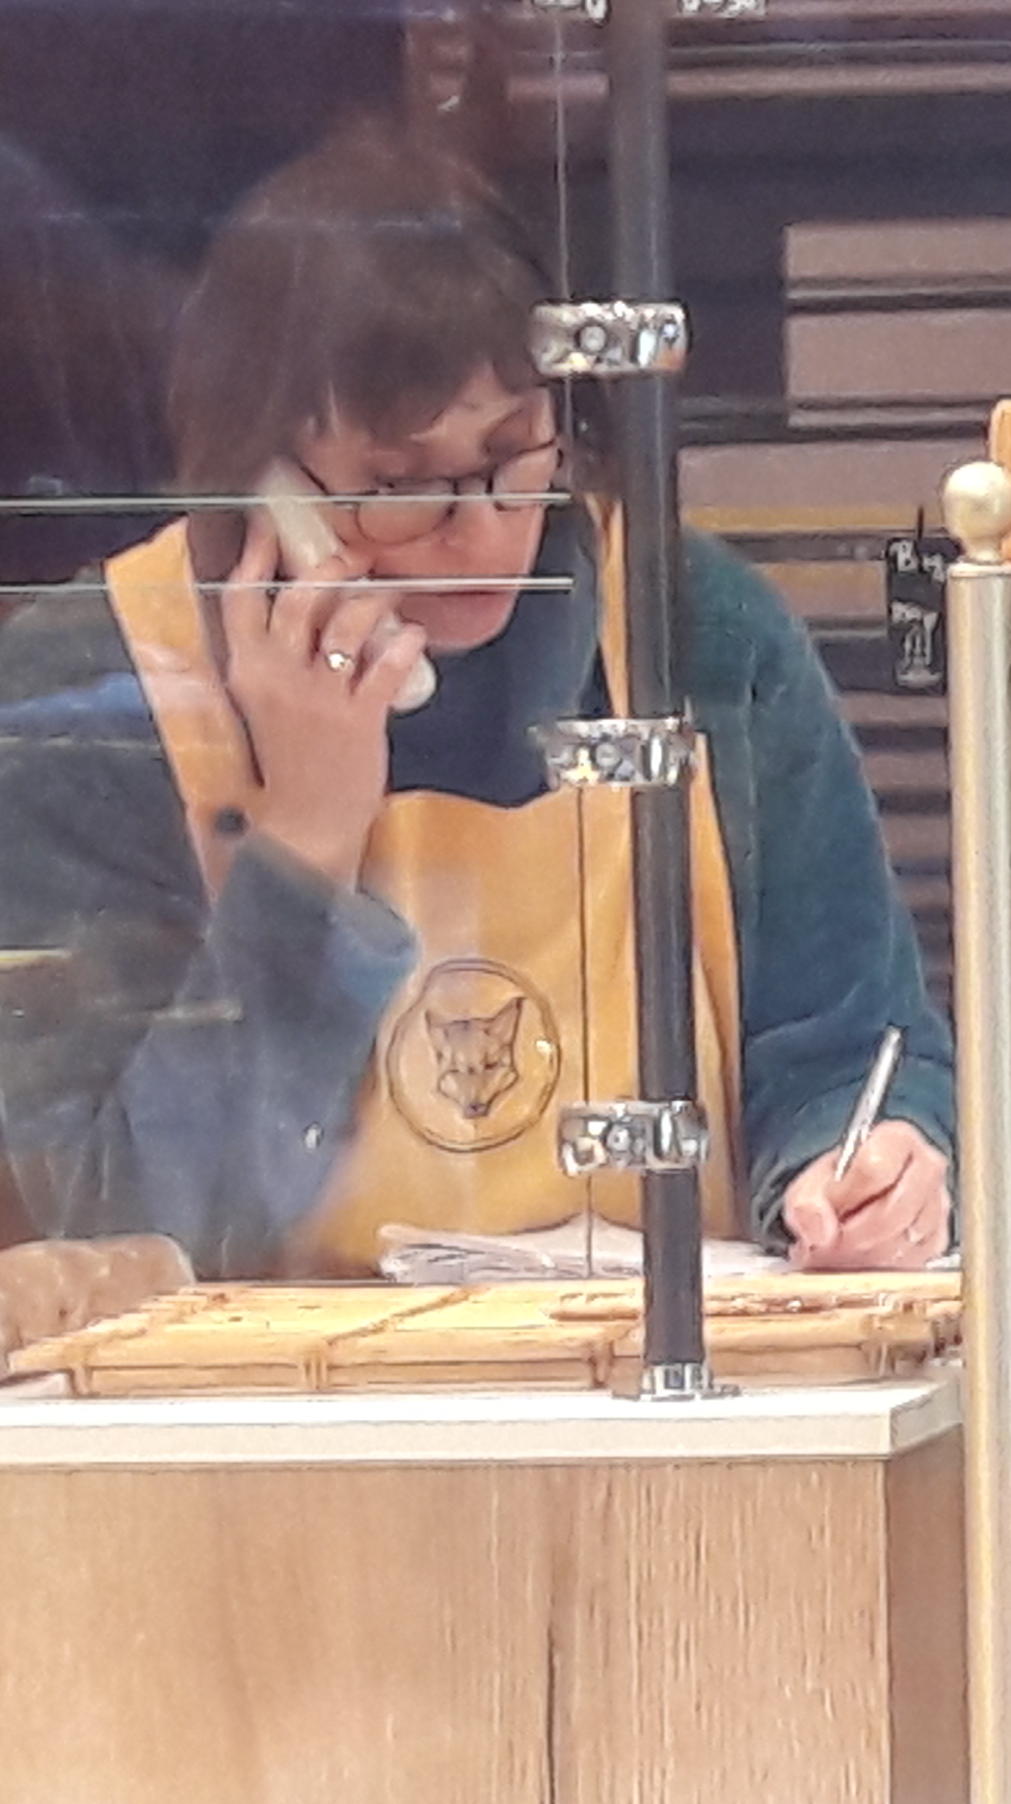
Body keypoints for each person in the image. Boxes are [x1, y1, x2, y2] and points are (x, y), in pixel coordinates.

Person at [0, 121, 952, 1279]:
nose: (484, 532)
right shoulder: (89, 695)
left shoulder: (696, 628)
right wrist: (304, 844)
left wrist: (866, 1167)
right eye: (402, 486)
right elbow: (116, 1232)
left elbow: (851, 1048)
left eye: (514, 457)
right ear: (261, 479)